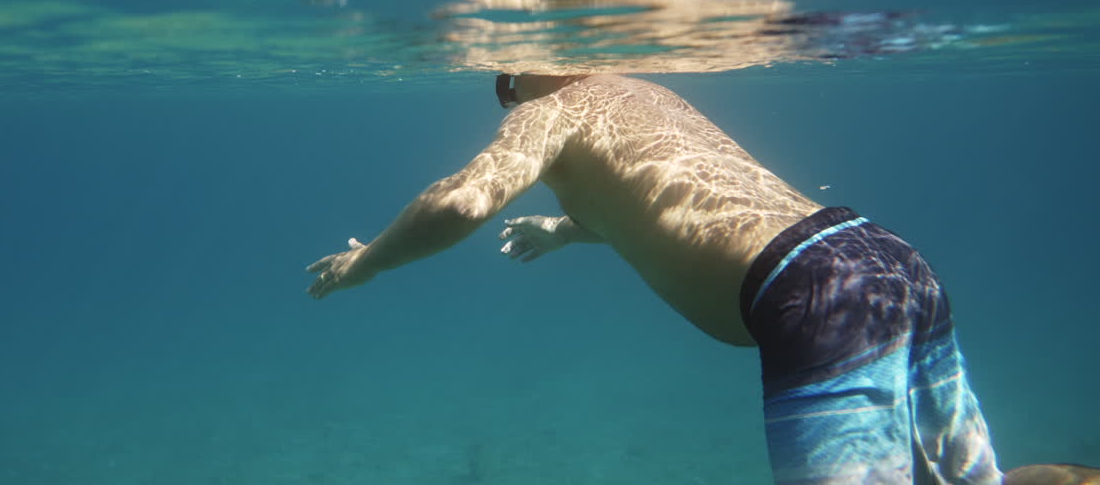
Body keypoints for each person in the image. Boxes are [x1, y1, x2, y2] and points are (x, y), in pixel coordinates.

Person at [306, 74, 1098, 485]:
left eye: (502, 80)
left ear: (517, 77)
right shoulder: (644, 94)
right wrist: (565, 231)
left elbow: (461, 202)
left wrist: (363, 263)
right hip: (886, 258)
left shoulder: (549, 112)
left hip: (815, 293)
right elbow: (673, 201)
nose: (504, 93)